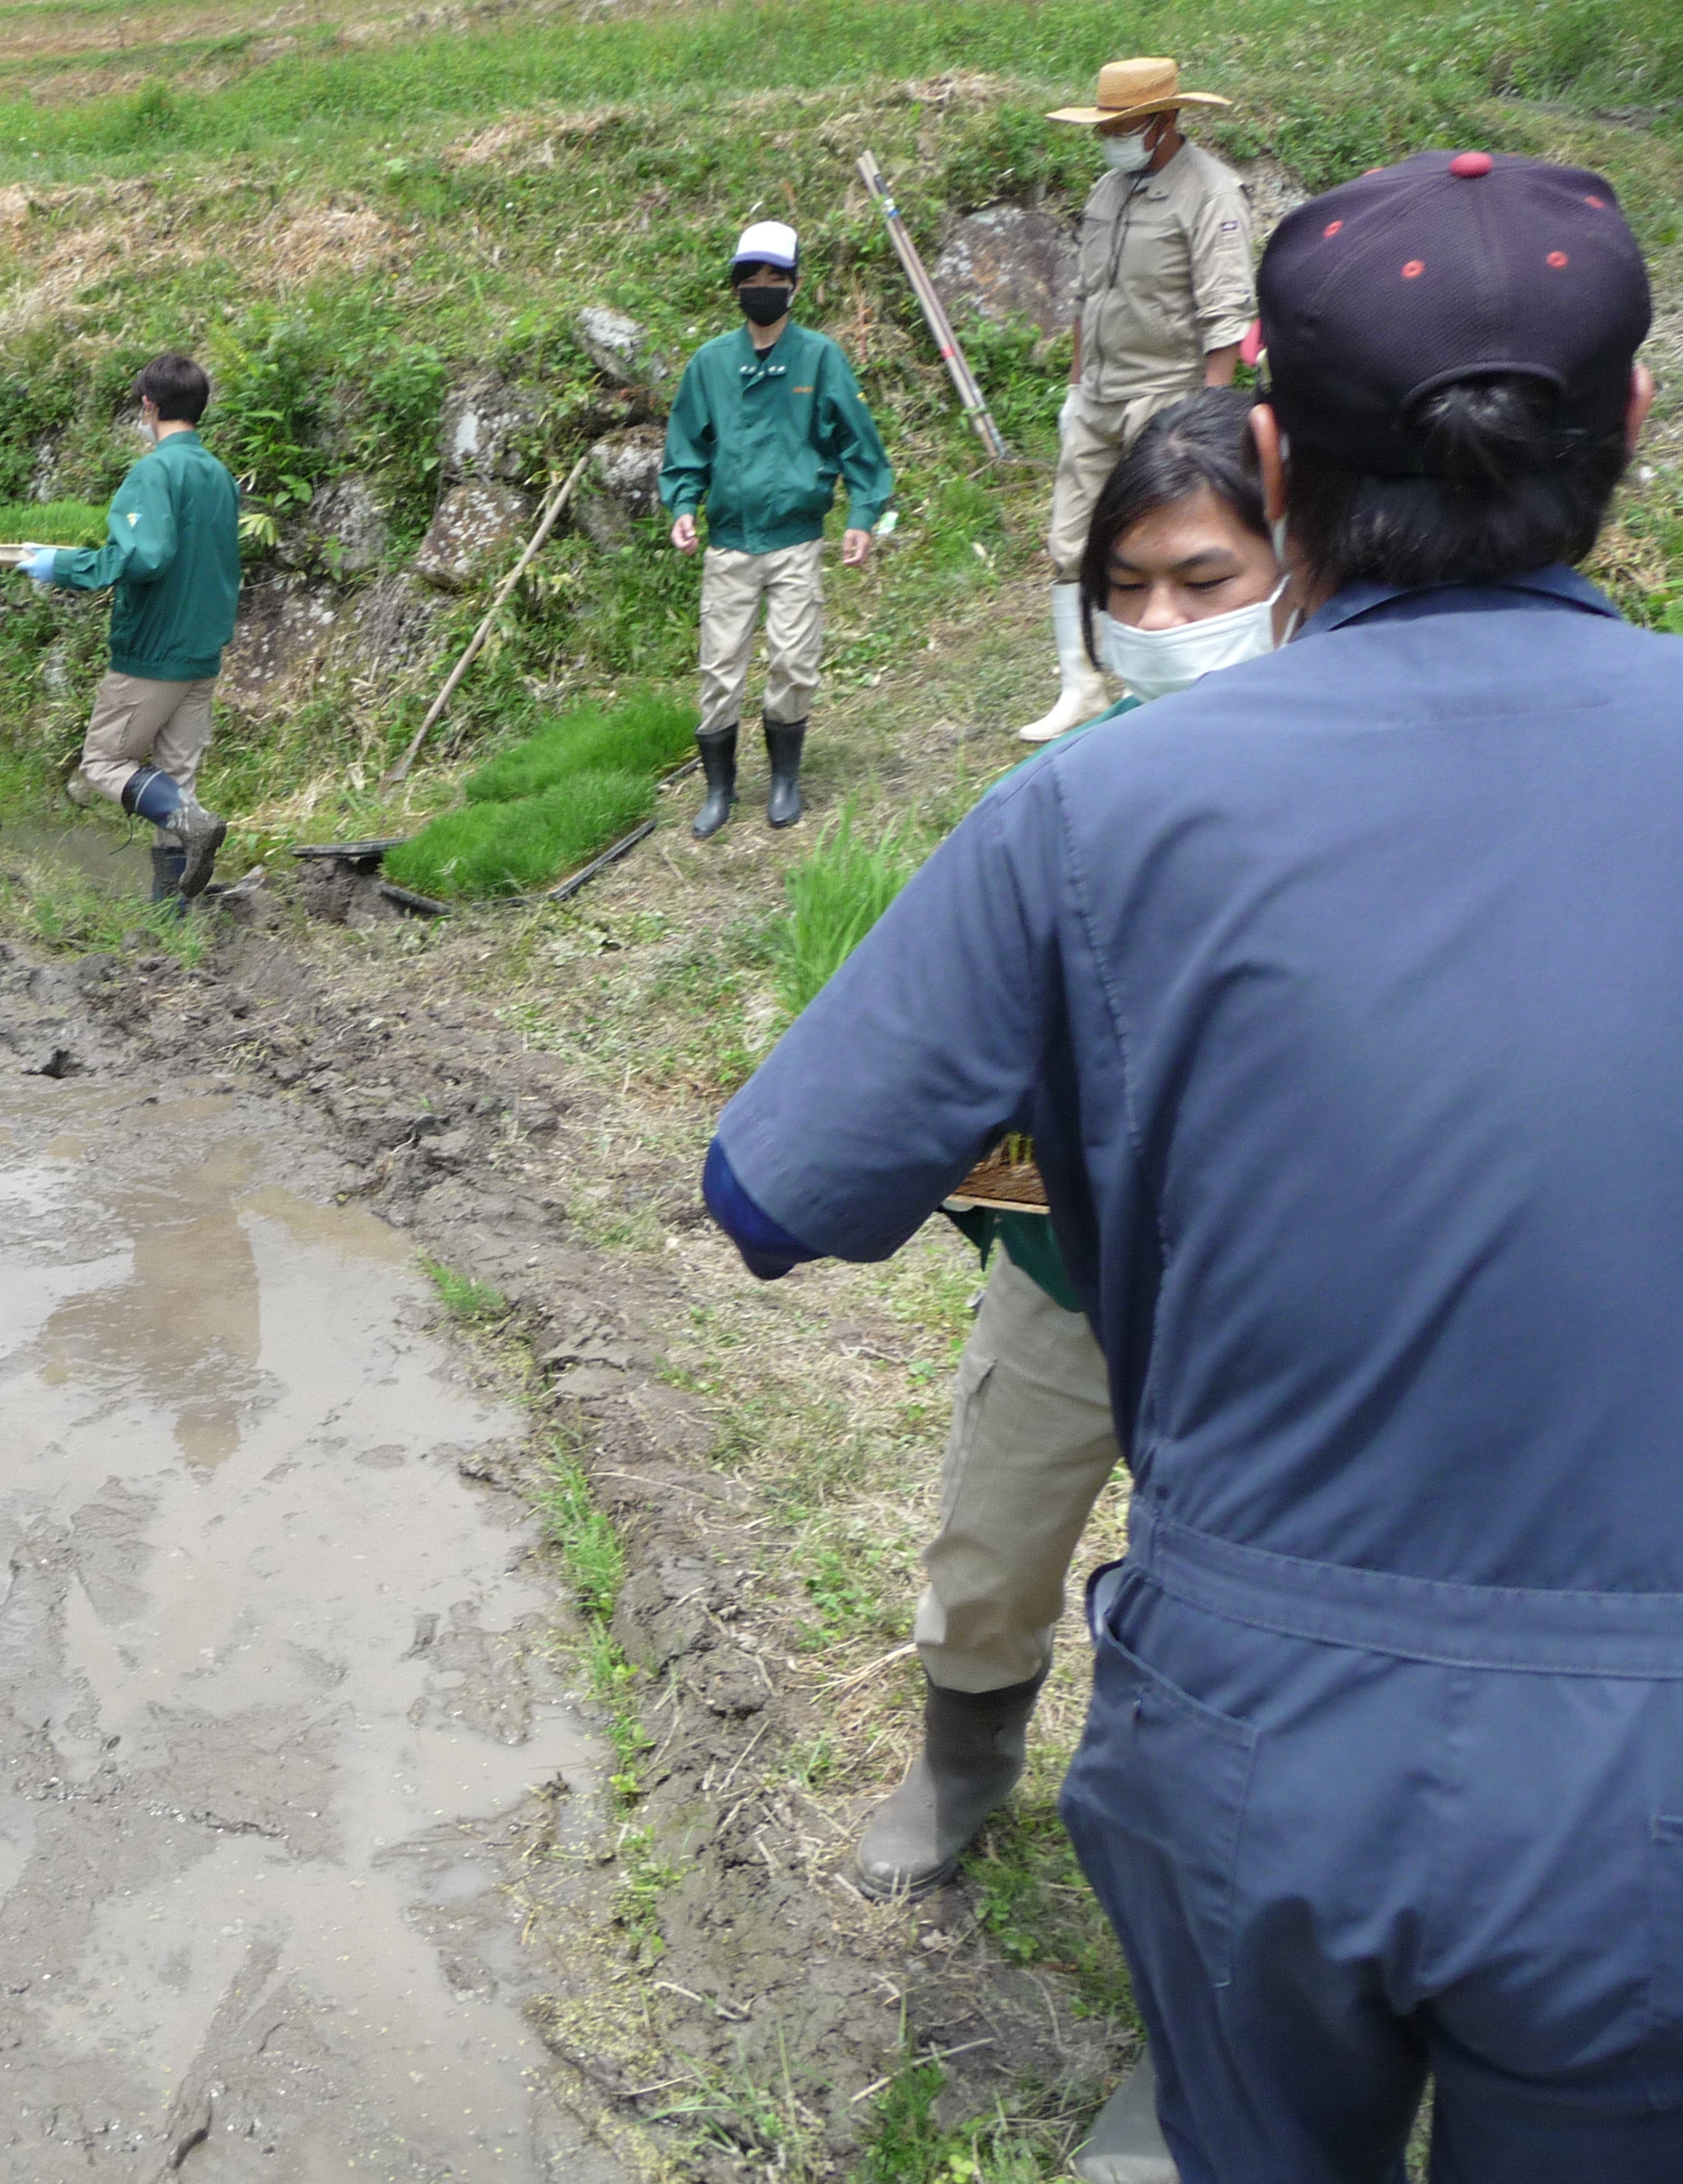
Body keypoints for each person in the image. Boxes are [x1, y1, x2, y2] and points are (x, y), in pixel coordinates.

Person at [700, 151, 1664, 2177]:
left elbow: (768, 1192)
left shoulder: (1096, 817)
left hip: (1261, 1739)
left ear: (1277, 468)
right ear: (1631, 431)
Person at [850, 387, 1274, 2184]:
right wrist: (995, 1181)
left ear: (1299, 572)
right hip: (1068, 1279)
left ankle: (1198, 2041)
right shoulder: (1053, 804)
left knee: (1227, 1673)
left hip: (1272, 1321)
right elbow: (942, 1071)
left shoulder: (1359, 799)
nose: (1168, 626)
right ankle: (964, 1755)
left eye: (1208, 578)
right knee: (994, 1539)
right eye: (1131, 588)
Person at [1019, 56, 1255, 744]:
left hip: (1168, 395)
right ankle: (1082, 686)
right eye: (1107, 126)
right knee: (1071, 540)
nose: (1113, 137)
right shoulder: (1106, 191)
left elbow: (1226, 314)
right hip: (1098, 393)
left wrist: (1209, 417)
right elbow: (1086, 299)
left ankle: (1167, 686)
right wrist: (1072, 387)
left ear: (1167, 121)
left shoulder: (1211, 194)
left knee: (1164, 544)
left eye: (1125, 126)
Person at [658, 220, 893, 836]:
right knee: (720, 665)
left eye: (774, 278)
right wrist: (683, 505)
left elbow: (858, 442)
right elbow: (686, 446)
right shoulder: (710, 363)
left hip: (796, 540)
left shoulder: (819, 357)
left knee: (794, 660)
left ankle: (785, 782)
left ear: (795, 284)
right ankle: (720, 791)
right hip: (730, 543)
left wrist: (862, 514)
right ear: (735, 288)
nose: (762, 288)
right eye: (750, 279)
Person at [21, 354, 240, 902]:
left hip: (153, 653)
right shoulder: (218, 475)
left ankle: (190, 820)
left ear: (150, 405)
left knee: (103, 763)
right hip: (201, 652)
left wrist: (61, 565)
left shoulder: (154, 472)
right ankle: (171, 923)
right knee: (175, 776)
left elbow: (145, 558)